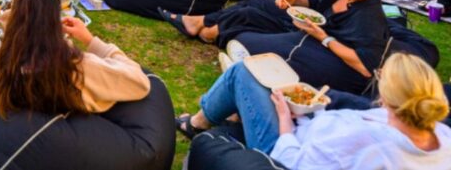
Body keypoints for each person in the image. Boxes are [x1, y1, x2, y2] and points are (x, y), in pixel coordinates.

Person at [160, 0, 387, 95]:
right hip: (304, 26)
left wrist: (323, 37)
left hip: (314, 40)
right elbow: (315, 1)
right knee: (257, 2)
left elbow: (366, 66)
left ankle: (209, 30)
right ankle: (202, 23)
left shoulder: (368, 15)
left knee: (248, 18)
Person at [176, 53, 450, 167]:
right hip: (308, 122)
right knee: (262, 82)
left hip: (281, 150)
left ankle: (197, 123)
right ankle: (229, 112)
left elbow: (295, 163)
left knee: (244, 71)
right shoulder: (441, 137)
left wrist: (285, 121)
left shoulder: (369, 141)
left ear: (388, 96)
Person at [0, 0, 150, 116]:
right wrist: (90, 40)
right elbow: (140, 82)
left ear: (14, 14)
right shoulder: (76, 66)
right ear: (55, 16)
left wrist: (16, 23)